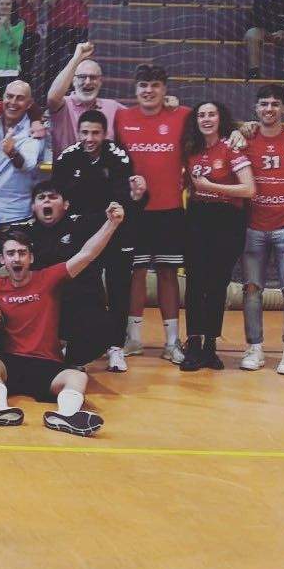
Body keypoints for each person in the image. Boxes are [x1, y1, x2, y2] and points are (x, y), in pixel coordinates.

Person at [0, 202, 126, 436]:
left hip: (46, 364)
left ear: (31, 258)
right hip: (11, 363)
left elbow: (87, 254)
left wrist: (112, 224)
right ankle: (0, 410)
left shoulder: (48, 278)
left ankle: (65, 416)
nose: (16, 258)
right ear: (2, 260)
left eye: (22, 253)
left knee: (77, 376)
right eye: (10, 253)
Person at [114, 64, 191, 364]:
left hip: (170, 210)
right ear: (135, 89)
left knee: (169, 274)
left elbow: (217, 126)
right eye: (143, 85)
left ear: (165, 89)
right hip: (135, 212)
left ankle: (172, 342)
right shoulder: (122, 117)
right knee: (136, 273)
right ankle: (133, 339)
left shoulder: (182, 115)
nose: (149, 90)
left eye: (155, 85)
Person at [51, 109, 136, 371]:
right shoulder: (67, 158)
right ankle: (78, 347)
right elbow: (59, 198)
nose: (90, 138)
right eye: (85, 132)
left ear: (105, 134)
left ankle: (116, 348)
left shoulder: (118, 157)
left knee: (119, 288)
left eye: (95, 133)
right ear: (78, 132)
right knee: (80, 290)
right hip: (80, 236)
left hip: (115, 229)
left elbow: (125, 197)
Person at [238, 84, 284, 377]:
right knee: (252, 290)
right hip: (254, 227)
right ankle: (254, 348)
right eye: (264, 104)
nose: (269, 109)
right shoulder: (243, 138)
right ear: (256, 108)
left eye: (275, 104)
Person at [179, 101, 254, 371]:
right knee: (195, 283)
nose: (206, 119)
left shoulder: (231, 147)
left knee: (217, 284)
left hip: (227, 221)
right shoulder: (190, 149)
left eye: (211, 114)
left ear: (220, 118)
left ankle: (211, 346)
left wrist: (213, 186)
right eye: (201, 115)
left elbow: (249, 189)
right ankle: (193, 344)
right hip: (198, 219)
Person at [21, 181, 111, 368]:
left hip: (79, 302)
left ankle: (71, 361)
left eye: (53, 197)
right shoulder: (23, 232)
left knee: (102, 327)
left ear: (66, 205)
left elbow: (115, 221)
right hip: (39, 304)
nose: (47, 201)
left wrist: (134, 201)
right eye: (41, 198)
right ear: (33, 207)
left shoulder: (82, 224)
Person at [0, 80, 47, 235]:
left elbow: (27, 164)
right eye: (9, 96)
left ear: (29, 104)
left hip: (16, 214)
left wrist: (11, 151)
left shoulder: (35, 131)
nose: (13, 102)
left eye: (20, 98)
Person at [45, 42, 122, 157]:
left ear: (100, 82)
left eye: (93, 77)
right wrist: (77, 57)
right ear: (73, 81)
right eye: (82, 77)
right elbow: (52, 98)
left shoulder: (113, 107)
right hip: (68, 172)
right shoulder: (64, 105)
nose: (87, 82)